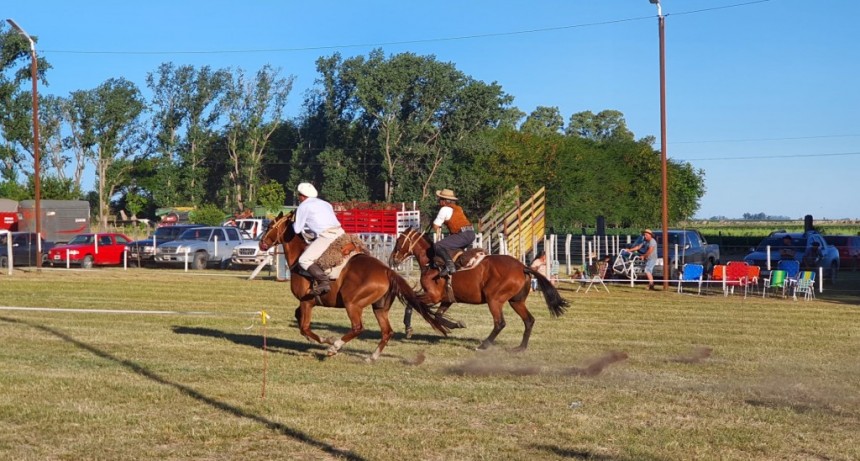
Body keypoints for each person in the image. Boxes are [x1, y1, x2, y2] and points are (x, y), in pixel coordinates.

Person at [293, 182, 344, 296]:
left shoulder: (303, 206)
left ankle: (323, 281)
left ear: (302, 196)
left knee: (304, 260)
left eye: (299, 196)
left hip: (327, 236)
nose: (299, 198)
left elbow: (297, 229)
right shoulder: (326, 204)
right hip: (341, 233)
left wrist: (291, 223)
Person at [432, 188, 476, 277]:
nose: (439, 201)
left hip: (462, 235)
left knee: (438, 245)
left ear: (444, 201)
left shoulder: (444, 209)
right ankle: (456, 268)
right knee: (454, 250)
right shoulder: (459, 209)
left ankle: (449, 266)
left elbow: (436, 226)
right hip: (471, 234)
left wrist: (435, 224)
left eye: (440, 199)